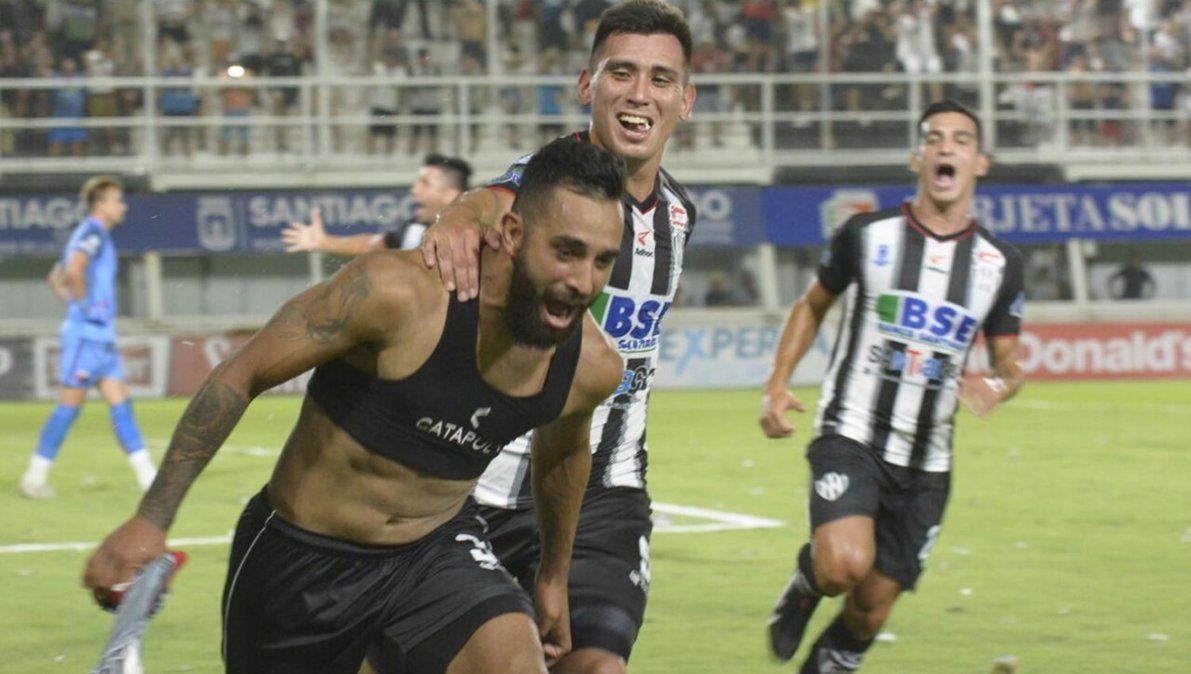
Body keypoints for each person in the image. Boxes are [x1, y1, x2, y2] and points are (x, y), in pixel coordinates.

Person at [83, 138, 628, 674]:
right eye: (565, 252)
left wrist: (552, 577)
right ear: (512, 233)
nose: (583, 281)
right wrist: (151, 519)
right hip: (302, 563)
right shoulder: (397, 293)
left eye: (602, 261)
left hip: (435, 554)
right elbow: (242, 373)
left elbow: (562, 454)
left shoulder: (591, 367)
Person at [418, 2, 697, 672]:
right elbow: (493, 200)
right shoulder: (544, 184)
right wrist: (458, 215)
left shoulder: (679, 216)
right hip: (485, 491)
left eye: (660, 79)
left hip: (606, 490)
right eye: (621, 73)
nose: (639, 93)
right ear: (585, 86)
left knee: (596, 666)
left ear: (684, 102)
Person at [760, 99, 1025, 673]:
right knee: (842, 566)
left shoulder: (999, 264)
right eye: (934, 138)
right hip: (852, 431)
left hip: (928, 461)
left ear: (980, 163)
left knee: (870, 611)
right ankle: (808, 580)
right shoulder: (867, 234)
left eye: (961, 140)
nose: (946, 147)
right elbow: (812, 305)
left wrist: (998, 386)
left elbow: (1010, 366)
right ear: (917, 158)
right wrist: (777, 383)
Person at [20, 176, 157, 499]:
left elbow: (56, 278)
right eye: (117, 200)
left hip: (100, 338)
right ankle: (34, 478)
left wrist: (77, 304)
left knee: (121, 407)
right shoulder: (92, 233)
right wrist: (83, 308)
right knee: (69, 407)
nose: (123, 206)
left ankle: (150, 480)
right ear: (101, 204)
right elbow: (72, 271)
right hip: (86, 338)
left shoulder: (91, 235)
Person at [281, 154, 473, 255]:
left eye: (424, 184)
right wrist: (325, 242)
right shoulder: (413, 232)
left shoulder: (478, 236)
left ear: (450, 195)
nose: (414, 190)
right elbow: (374, 246)